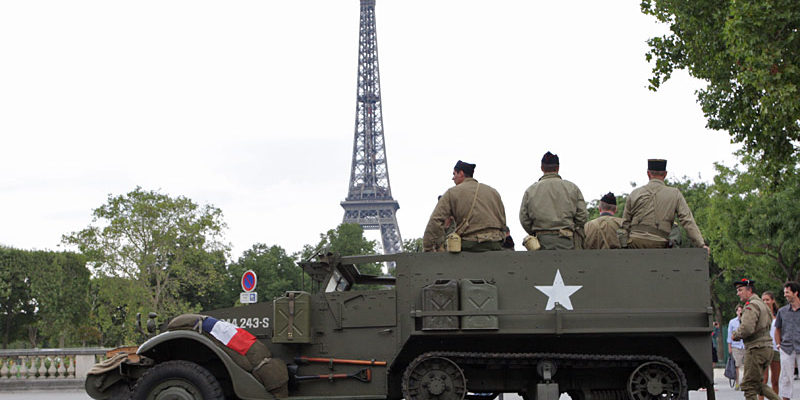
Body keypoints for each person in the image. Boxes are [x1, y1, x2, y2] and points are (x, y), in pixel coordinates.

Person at [621, 159, 709, 252]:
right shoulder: (675, 194)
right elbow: (687, 221)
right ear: (665, 174)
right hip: (659, 243)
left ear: (648, 173)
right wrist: (701, 244)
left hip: (635, 242)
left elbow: (625, 224)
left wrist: (624, 245)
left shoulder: (634, 193)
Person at [423, 160, 507, 252]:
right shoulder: (493, 192)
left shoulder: (452, 192)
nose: (453, 178)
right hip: (495, 244)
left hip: (469, 245)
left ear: (461, 173)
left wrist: (428, 248)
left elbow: (435, 220)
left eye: (454, 174)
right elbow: (502, 222)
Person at [519, 151, 587, 250]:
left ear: (542, 168)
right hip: (567, 241)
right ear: (558, 168)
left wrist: (535, 231)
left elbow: (524, 219)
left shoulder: (530, 191)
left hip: (540, 243)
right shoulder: (572, 188)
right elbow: (582, 216)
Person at [732, 278, 781, 400]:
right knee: (758, 384)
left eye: (740, 290)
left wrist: (736, 335)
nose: (738, 293)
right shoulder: (763, 305)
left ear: (749, 291)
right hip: (766, 348)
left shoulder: (751, 306)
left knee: (749, 386)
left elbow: (747, 328)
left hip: (756, 349)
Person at [775, 281, 800, 400]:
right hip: (786, 348)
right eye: (784, 292)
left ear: (796, 293)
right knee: (786, 377)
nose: (785, 295)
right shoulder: (782, 311)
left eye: (787, 292)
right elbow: (777, 329)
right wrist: (778, 344)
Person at [761, 291, 781, 398]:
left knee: (775, 380)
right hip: (763, 349)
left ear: (772, 301)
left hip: (775, 349)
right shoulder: (759, 315)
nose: (765, 302)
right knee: (763, 380)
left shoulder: (778, 316)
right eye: (763, 300)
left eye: (767, 299)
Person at [729, 304, 746, 390]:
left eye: (741, 310)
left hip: (745, 345)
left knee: (746, 365)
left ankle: (744, 382)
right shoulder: (732, 322)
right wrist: (730, 347)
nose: (740, 312)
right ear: (736, 312)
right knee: (737, 365)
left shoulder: (746, 320)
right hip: (736, 346)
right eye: (738, 310)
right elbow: (729, 335)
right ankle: (737, 382)